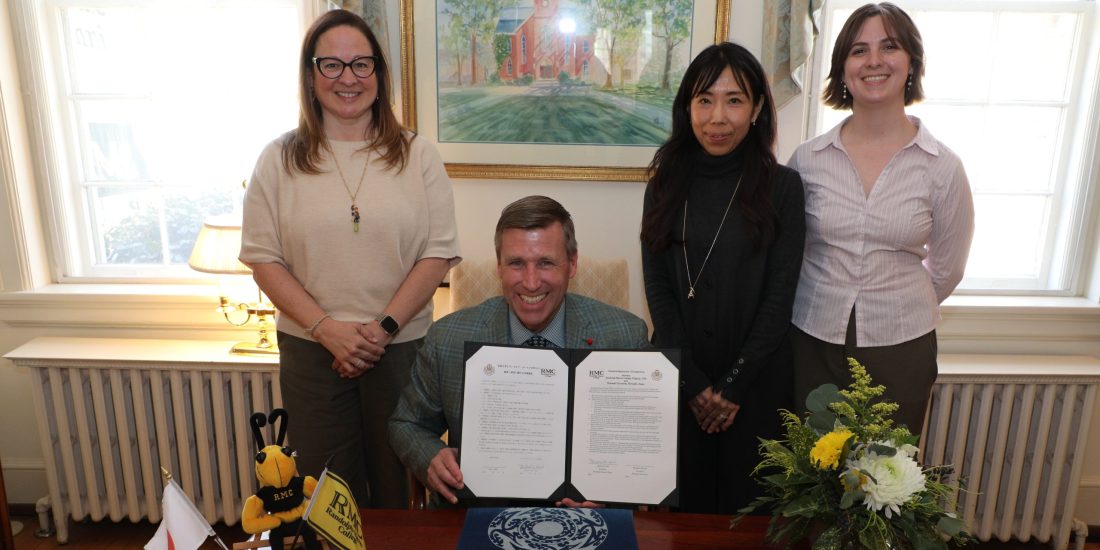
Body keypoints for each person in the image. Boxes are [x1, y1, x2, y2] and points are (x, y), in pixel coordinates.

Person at [239, 9, 460, 509]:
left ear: (380, 75)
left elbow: (438, 252)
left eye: (361, 64)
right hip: (311, 351)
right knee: (326, 495)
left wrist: (380, 329)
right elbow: (262, 258)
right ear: (310, 76)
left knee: (399, 490)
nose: (348, 78)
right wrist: (325, 328)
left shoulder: (417, 155)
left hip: (401, 348)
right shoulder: (278, 159)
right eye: (331, 65)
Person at [388, 195, 650, 507]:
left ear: (573, 263)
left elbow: (642, 449)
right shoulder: (448, 338)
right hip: (478, 515)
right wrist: (431, 457)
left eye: (546, 263)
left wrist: (611, 496)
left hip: (589, 521)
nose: (530, 282)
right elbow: (407, 424)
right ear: (498, 266)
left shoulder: (624, 336)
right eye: (516, 263)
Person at [788, 2, 974, 435]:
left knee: (886, 483)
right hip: (813, 339)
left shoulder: (942, 166)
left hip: (902, 345)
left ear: (911, 62)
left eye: (888, 46)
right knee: (812, 478)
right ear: (843, 69)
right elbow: (790, 254)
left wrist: (896, 303)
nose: (873, 61)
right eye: (858, 50)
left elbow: (948, 267)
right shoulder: (807, 160)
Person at [640, 42, 806, 514]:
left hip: (758, 386)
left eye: (734, 100)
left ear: (756, 109)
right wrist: (694, 385)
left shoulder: (783, 188)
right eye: (704, 99)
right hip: (680, 383)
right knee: (682, 523)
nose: (718, 117)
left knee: (749, 519)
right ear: (686, 108)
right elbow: (659, 291)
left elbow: (780, 299)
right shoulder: (664, 185)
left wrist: (731, 388)